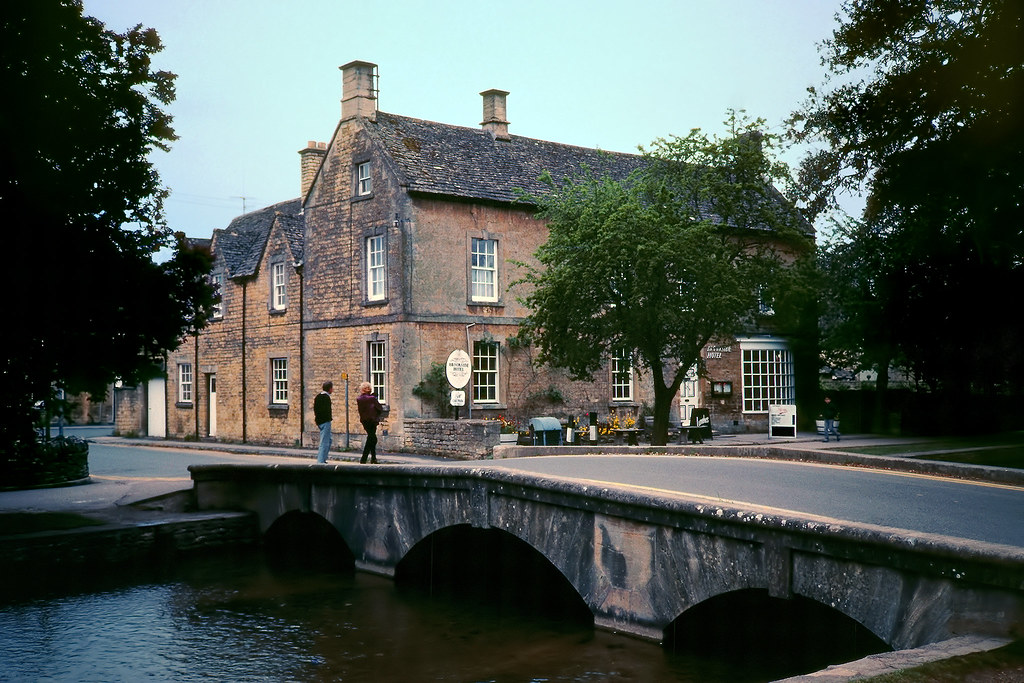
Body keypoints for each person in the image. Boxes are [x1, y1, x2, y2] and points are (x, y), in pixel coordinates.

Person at [356, 381, 384, 464]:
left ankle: (373, 458)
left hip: (364, 421)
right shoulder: (372, 399)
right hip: (372, 420)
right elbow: (379, 408)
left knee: (371, 438)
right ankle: (364, 459)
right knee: (372, 439)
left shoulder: (359, 399)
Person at [314, 381, 333, 463]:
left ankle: (323, 459)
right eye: (332, 388)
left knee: (329, 440)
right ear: (330, 389)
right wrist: (328, 419)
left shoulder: (318, 396)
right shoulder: (326, 397)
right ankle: (321, 461)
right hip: (325, 421)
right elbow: (327, 410)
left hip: (319, 421)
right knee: (324, 442)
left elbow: (315, 409)